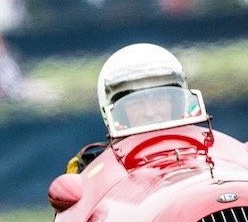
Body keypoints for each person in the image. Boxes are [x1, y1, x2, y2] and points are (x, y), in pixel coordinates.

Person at [67, 43, 206, 173]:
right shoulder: (90, 169)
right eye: (136, 103)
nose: (149, 112)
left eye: (159, 99)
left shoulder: (209, 146)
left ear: (176, 102)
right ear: (117, 112)